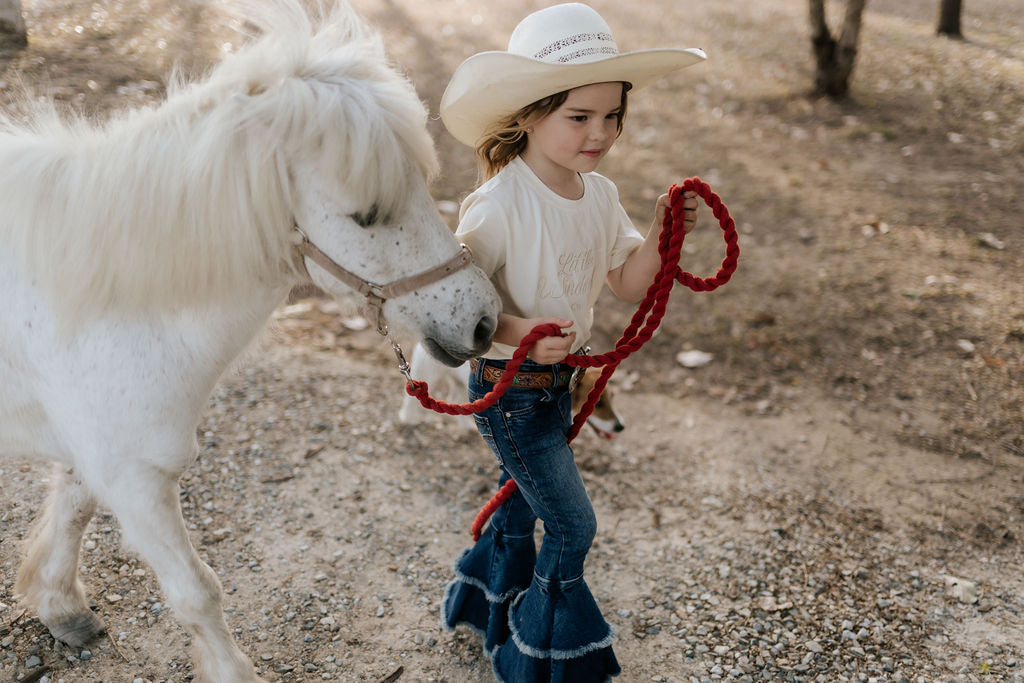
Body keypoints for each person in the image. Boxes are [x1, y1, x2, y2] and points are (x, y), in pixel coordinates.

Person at [438, 3, 705, 680]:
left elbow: (627, 282)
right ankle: (540, 653)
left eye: (612, 116)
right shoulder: (498, 205)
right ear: (529, 115)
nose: (600, 133)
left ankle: (489, 608)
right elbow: (455, 307)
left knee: (520, 498)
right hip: (510, 391)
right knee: (571, 524)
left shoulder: (600, 194)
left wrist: (662, 230)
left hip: (558, 387)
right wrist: (517, 334)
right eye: (579, 117)